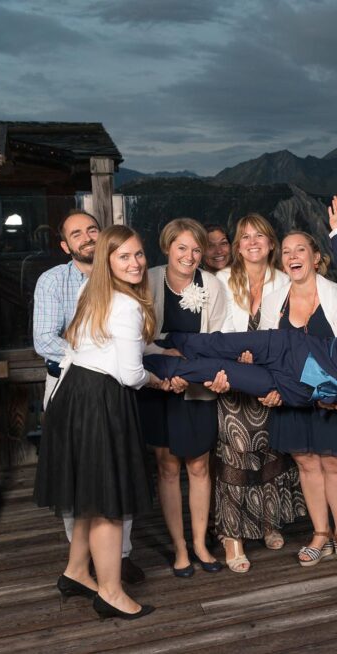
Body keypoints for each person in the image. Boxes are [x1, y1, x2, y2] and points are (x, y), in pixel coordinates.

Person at [34, 225, 162, 620]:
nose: (136, 263)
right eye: (124, 256)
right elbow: (128, 375)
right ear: (108, 261)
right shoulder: (126, 305)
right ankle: (110, 592)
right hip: (102, 400)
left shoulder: (90, 292)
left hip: (72, 395)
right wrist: (155, 378)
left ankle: (76, 571)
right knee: (108, 501)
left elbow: (91, 347)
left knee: (87, 493)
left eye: (139, 254)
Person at [260, 231, 337, 571]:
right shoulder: (273, 299)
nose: (292, 255)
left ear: (316, 257)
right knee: (307, 463)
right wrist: (270, 387)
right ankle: (320, 533)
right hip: (292, 400)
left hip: (333, 399)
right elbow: (267, 350)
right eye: (286, 251)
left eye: (300, 249)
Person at [212, 213, 299, 573]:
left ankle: (268, 521)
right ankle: (232, 536)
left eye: (259, 236)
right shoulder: (218, 281)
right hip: (232, 382)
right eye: (245, 237)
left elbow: (295, 336)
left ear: (271, 243)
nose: (252, 242)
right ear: (237, 245)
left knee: (270, 453)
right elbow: (212, 332)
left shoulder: (287, 281)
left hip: (272, 380)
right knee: (236, 456)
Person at [142, 218, 227, 577]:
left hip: (197, 387)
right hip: (157, 386)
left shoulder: (212, 285)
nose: (190, 256)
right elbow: (134, 338)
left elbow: (220, 338)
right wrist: (167, 369)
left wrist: (190, 371)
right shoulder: (146, 280)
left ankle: (200, 545)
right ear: (167, 247)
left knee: (198, 466)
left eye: (196, 249)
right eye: (182, 248)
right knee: (167, 467)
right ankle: (179, 549)